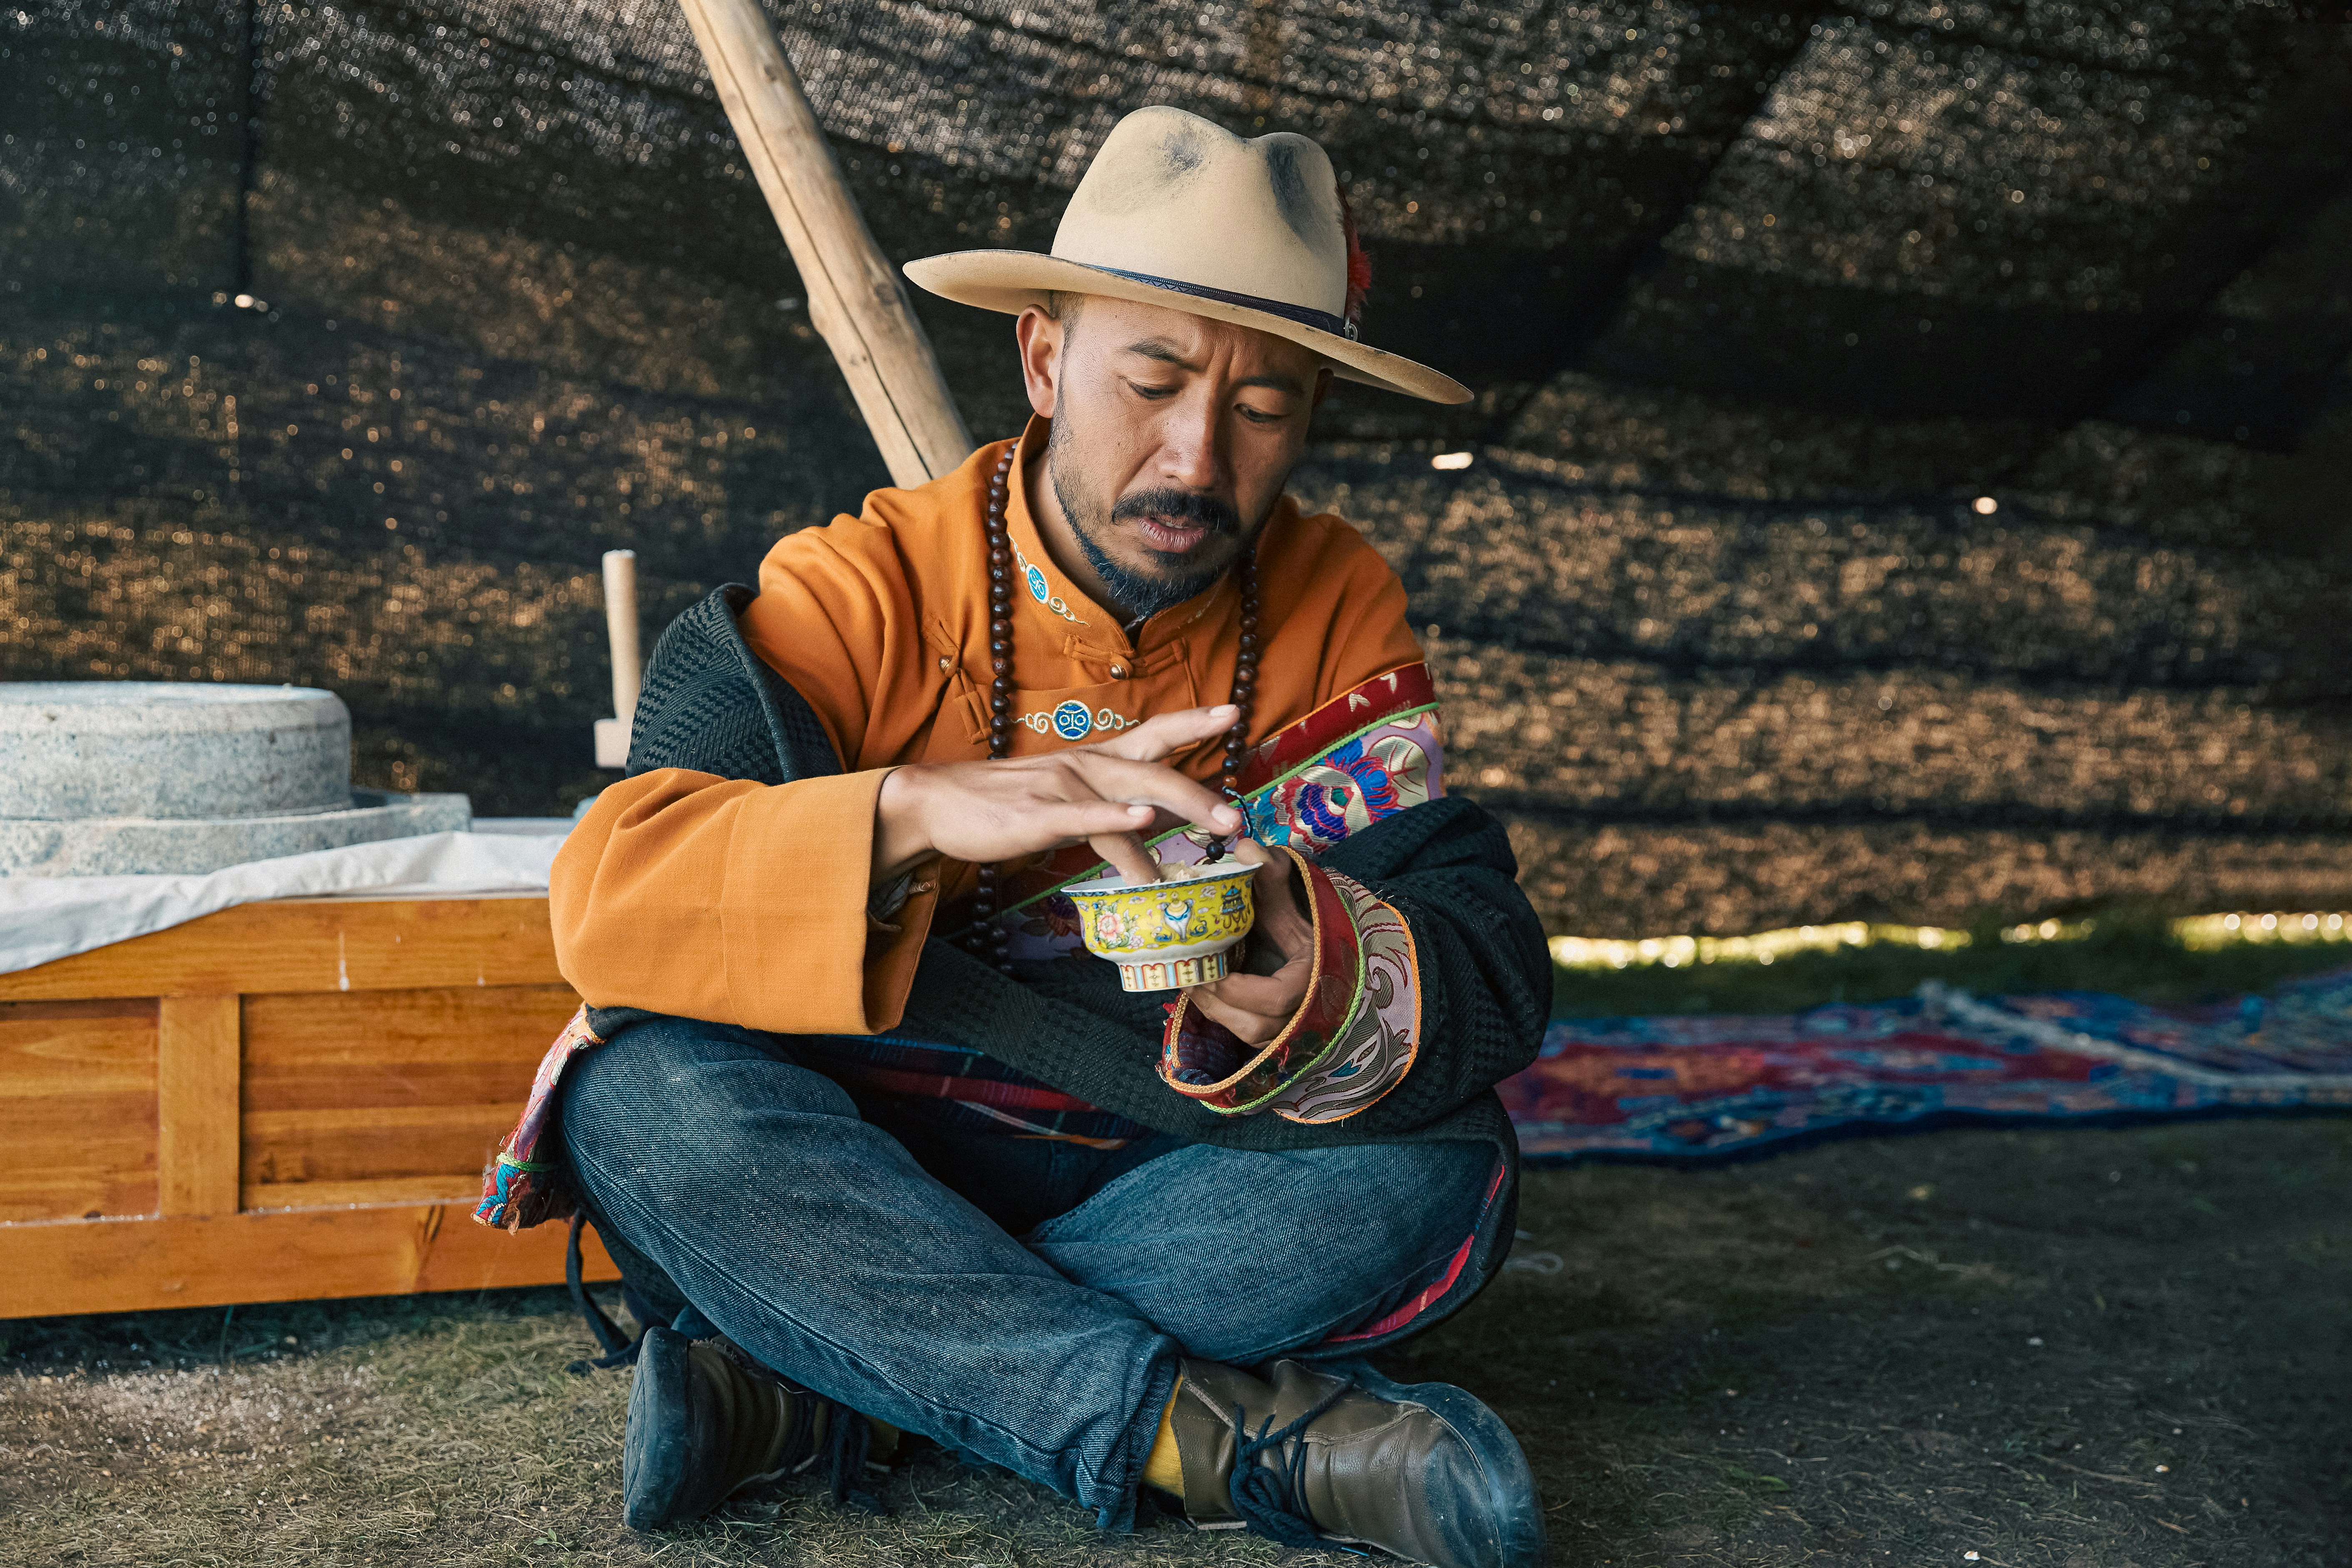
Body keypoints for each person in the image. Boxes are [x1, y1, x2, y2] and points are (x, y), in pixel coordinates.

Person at [477, 105, 1551, 1568]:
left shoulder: (1335, 601)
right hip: (860, 1151)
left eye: (1262, 406)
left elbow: (1481, 958)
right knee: (647, 1101)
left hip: (1158, 1151)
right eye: (1151, 381)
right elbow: (611, 901)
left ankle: (828, 1378)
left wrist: (1326, 966)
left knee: (1439, 1162)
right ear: (1044, 361)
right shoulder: (852, 589)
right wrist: (915, 808)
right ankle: (1199, 1438)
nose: (1196, 457)